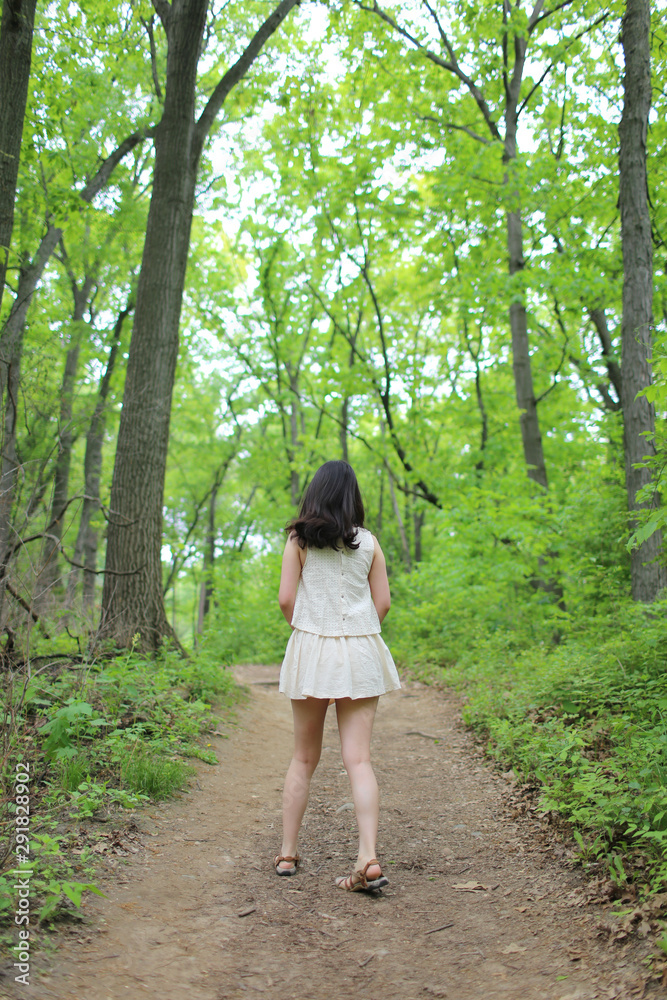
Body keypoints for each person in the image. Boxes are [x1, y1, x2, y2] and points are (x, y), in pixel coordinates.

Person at [275, 459, 401, 892]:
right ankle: (368, 856)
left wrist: (309, 630)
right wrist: (357, 629)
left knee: (303, 758)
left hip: (313, 648)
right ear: (352, 496)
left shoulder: (299, 539)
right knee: (359, 760)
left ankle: (288, 854)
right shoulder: (369, 542)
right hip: (361, 650)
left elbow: (285, 599)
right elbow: (383, 603)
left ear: (316, 493)